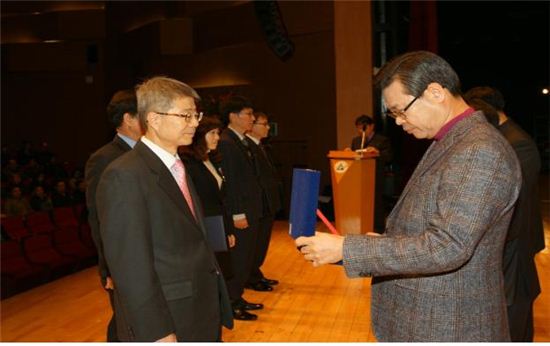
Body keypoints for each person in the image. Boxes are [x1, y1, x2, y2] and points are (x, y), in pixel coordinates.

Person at [296, 51, 522, 341]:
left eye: (402, 110)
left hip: (448, 324)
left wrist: (348, 249)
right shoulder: (454, 141)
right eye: (393, 114)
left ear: (436, 92)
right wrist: (384, 243)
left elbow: (448, 246)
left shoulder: (478, 150)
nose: (400, 122)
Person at [96, 76, 233, 341]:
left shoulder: (176, 166)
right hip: (168, 318)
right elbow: (130, 265)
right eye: (185, 115)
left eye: (196, 114)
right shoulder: (124, 175)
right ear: (155, 119)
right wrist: (157, 332)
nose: (194, 123)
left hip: (197, 308)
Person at [464, 86, 545, 342]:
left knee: (512, 320)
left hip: (515, 246)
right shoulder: (500, 137)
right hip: (504, 245)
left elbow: (514, 204)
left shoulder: (519, 144)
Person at [84, 89, 142, 342]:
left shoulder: (147, 153)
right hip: (123, 259)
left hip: (147, 254)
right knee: (125, 322)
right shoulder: (103, 159)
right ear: (129, 118)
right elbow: (99, 217)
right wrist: (108, 268)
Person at [180, 115, 238, 315]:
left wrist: (228, 230)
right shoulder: (189, 164)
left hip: (217, 225)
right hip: (204, 227)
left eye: (218, 133)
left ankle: (223, 312)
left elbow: (222, 199)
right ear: (199, 136)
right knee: (209, 277)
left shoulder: (210, 160)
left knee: (221, 274)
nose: (217, 138)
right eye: (212, 133)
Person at [217, 95, 265, 321]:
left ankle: (237, 296)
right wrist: (237, 213)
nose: (252, 118)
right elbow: (232, 182)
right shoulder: (226, 142)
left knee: (246, 257)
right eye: (248, 114)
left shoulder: (240, 140)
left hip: (250, 208)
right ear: (233, 116)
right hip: (241, 211)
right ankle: (231, 302)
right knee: (238, 259)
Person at [245, 111, 282, 291]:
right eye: (264, 124)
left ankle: (256, 273)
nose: (268, 128)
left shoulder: (261, 146)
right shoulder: (247, 148)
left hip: (268, 201)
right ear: (252, 127)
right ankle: (251, 277)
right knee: (255, 244)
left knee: (262, 242)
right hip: (258, 203)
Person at [350, 114, 393, 233]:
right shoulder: (356, 141)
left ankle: (378, 230)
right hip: (359, 178)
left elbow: (389, 157)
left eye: (363, 128)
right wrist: (349, 153)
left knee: (377, 204)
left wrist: (377, 153)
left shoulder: (382, 140)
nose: (361, 131)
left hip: (376, 177)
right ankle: (361, 228)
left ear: (371, 126)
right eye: (358, 128)